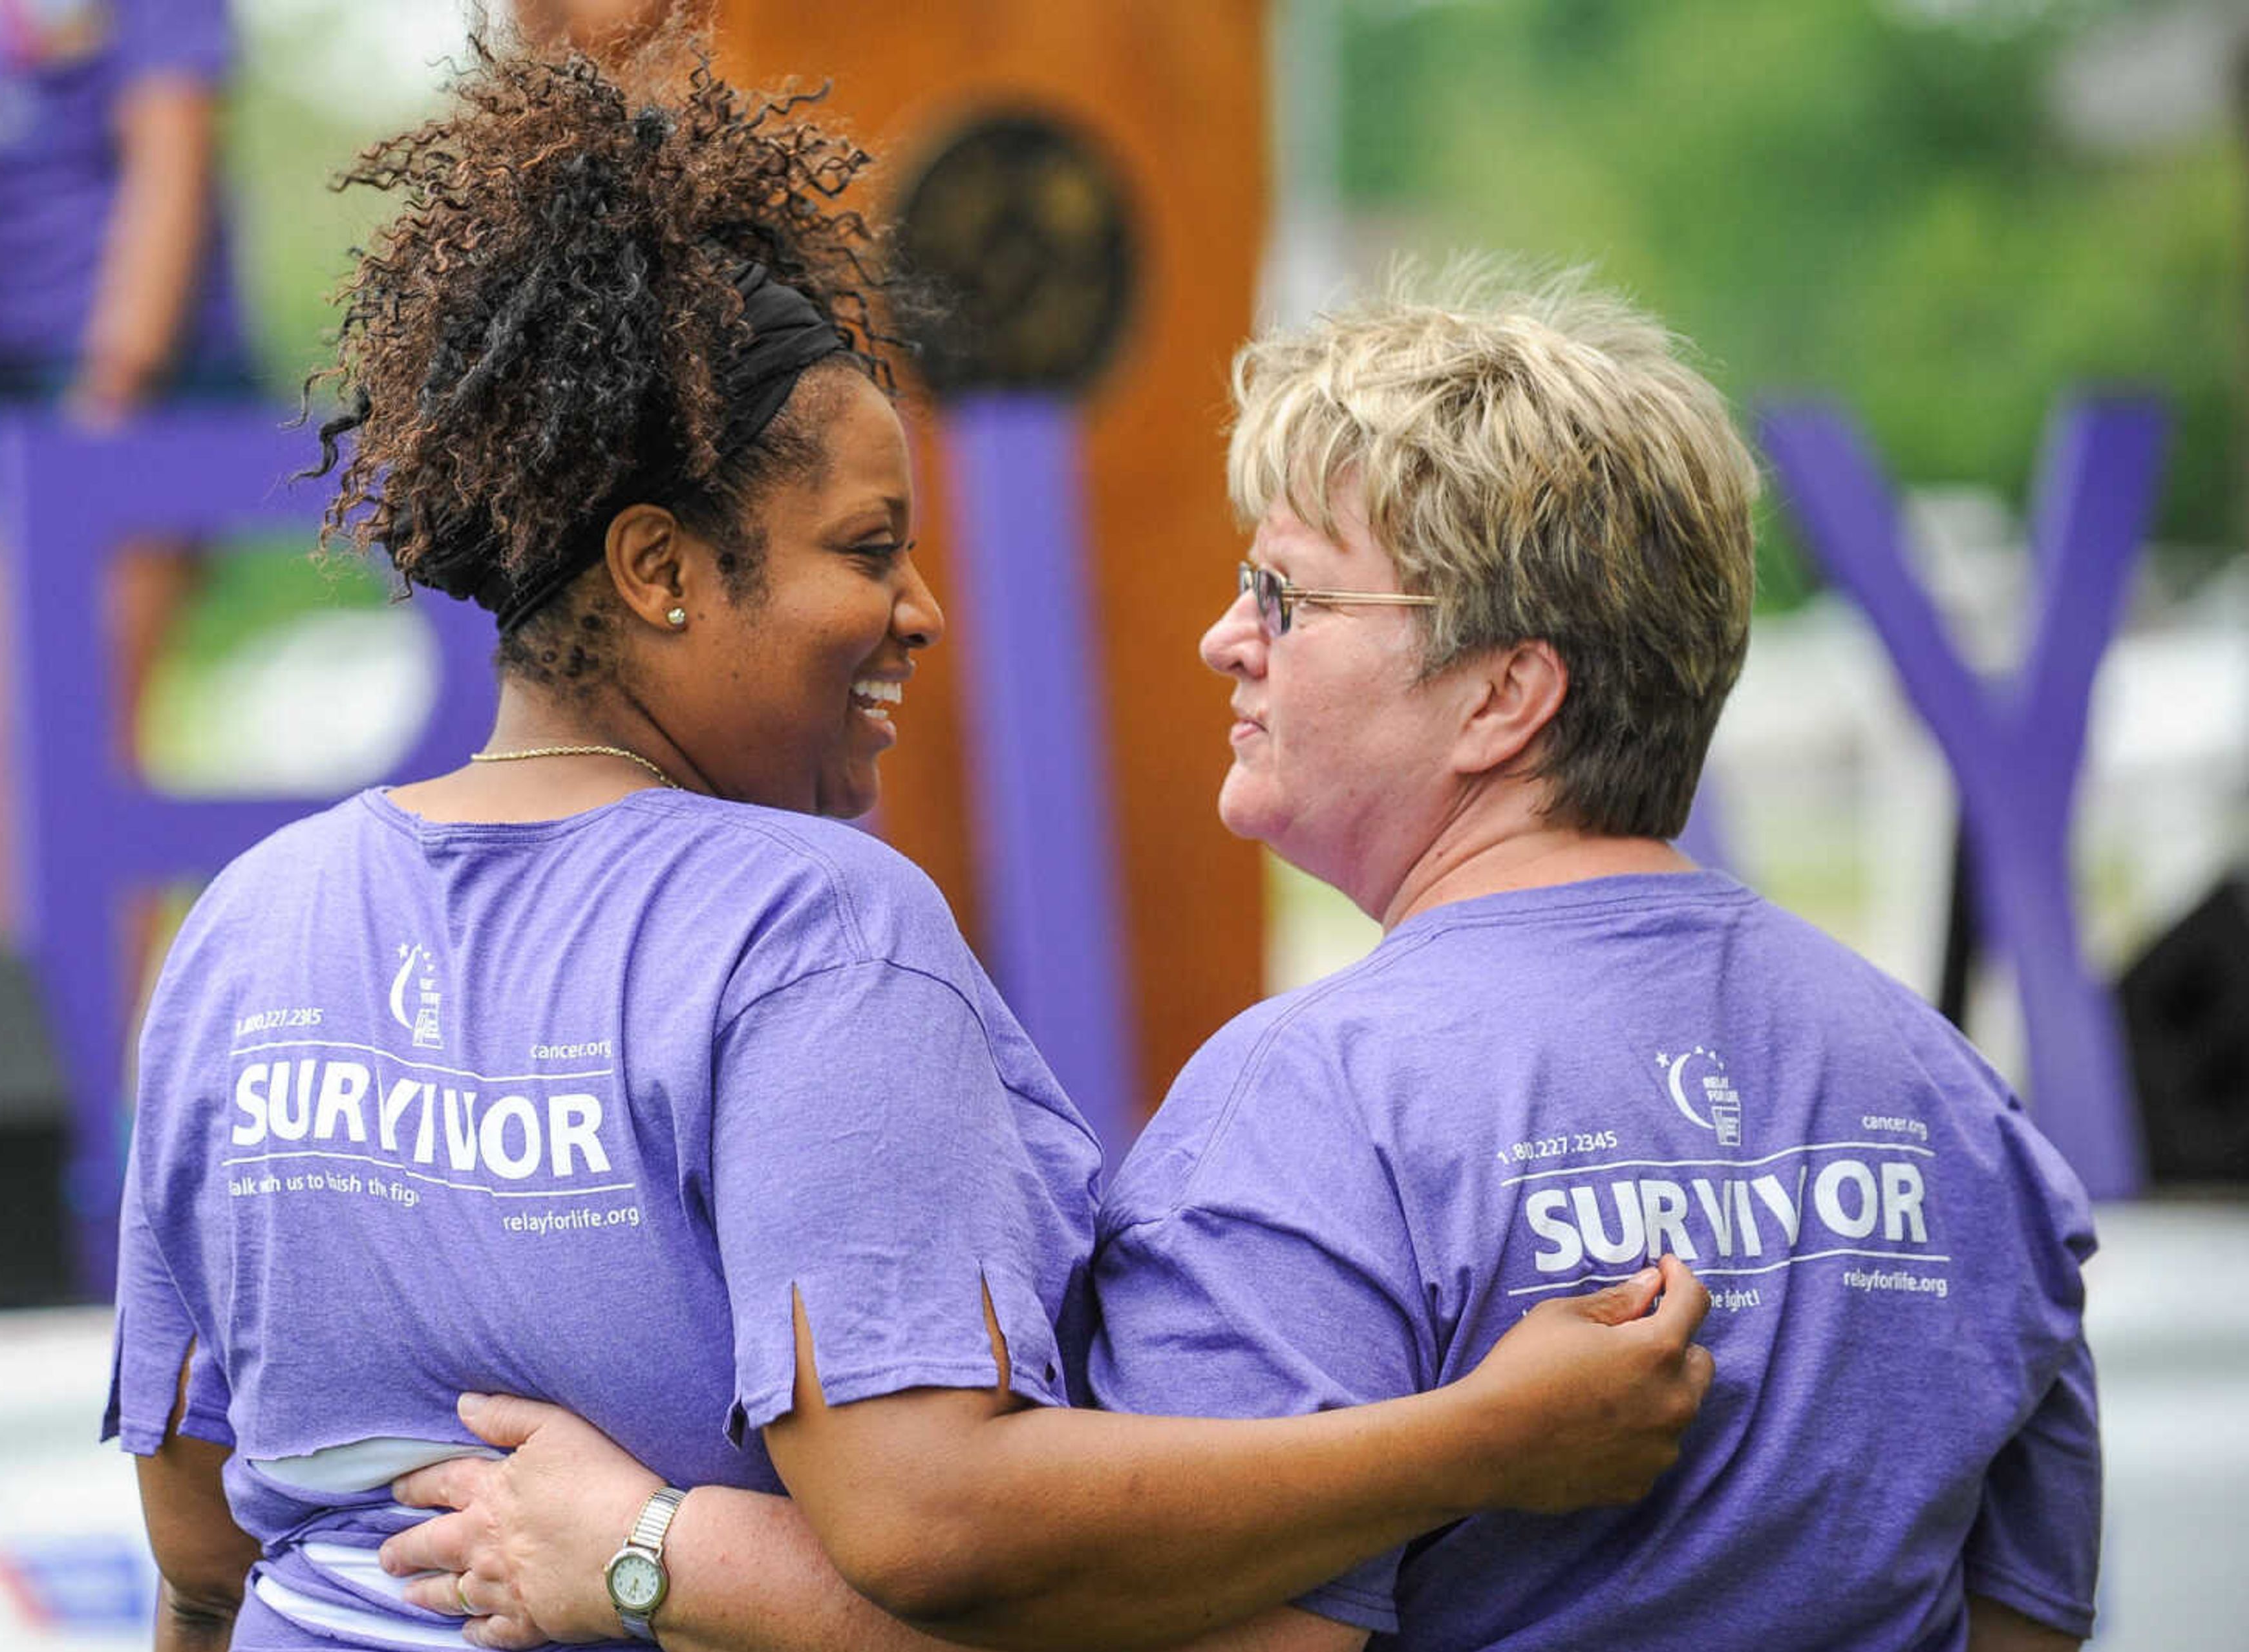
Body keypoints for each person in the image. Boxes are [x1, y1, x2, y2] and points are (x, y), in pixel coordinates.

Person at [104, 34, 1714, 1652]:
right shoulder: (807, 931)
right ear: (661, 567)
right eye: (869, 549)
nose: (921, 613)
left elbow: (198, 1541)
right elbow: (938, 1523)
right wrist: (1490, 1441)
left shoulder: (251, 925)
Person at [382, 268, 2100, 1652]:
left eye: (1287, 597)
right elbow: (2022, 1612)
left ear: (1508, 691)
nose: (1224, 637)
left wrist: (653, 1550)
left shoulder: (1316, 1108)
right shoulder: (1948, 1091)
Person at [0, 0, 250, 922]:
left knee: (74, 747)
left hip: (131, 377)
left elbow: (172, 151)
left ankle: (107, 1053)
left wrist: (114, 391)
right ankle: (41, 1042)